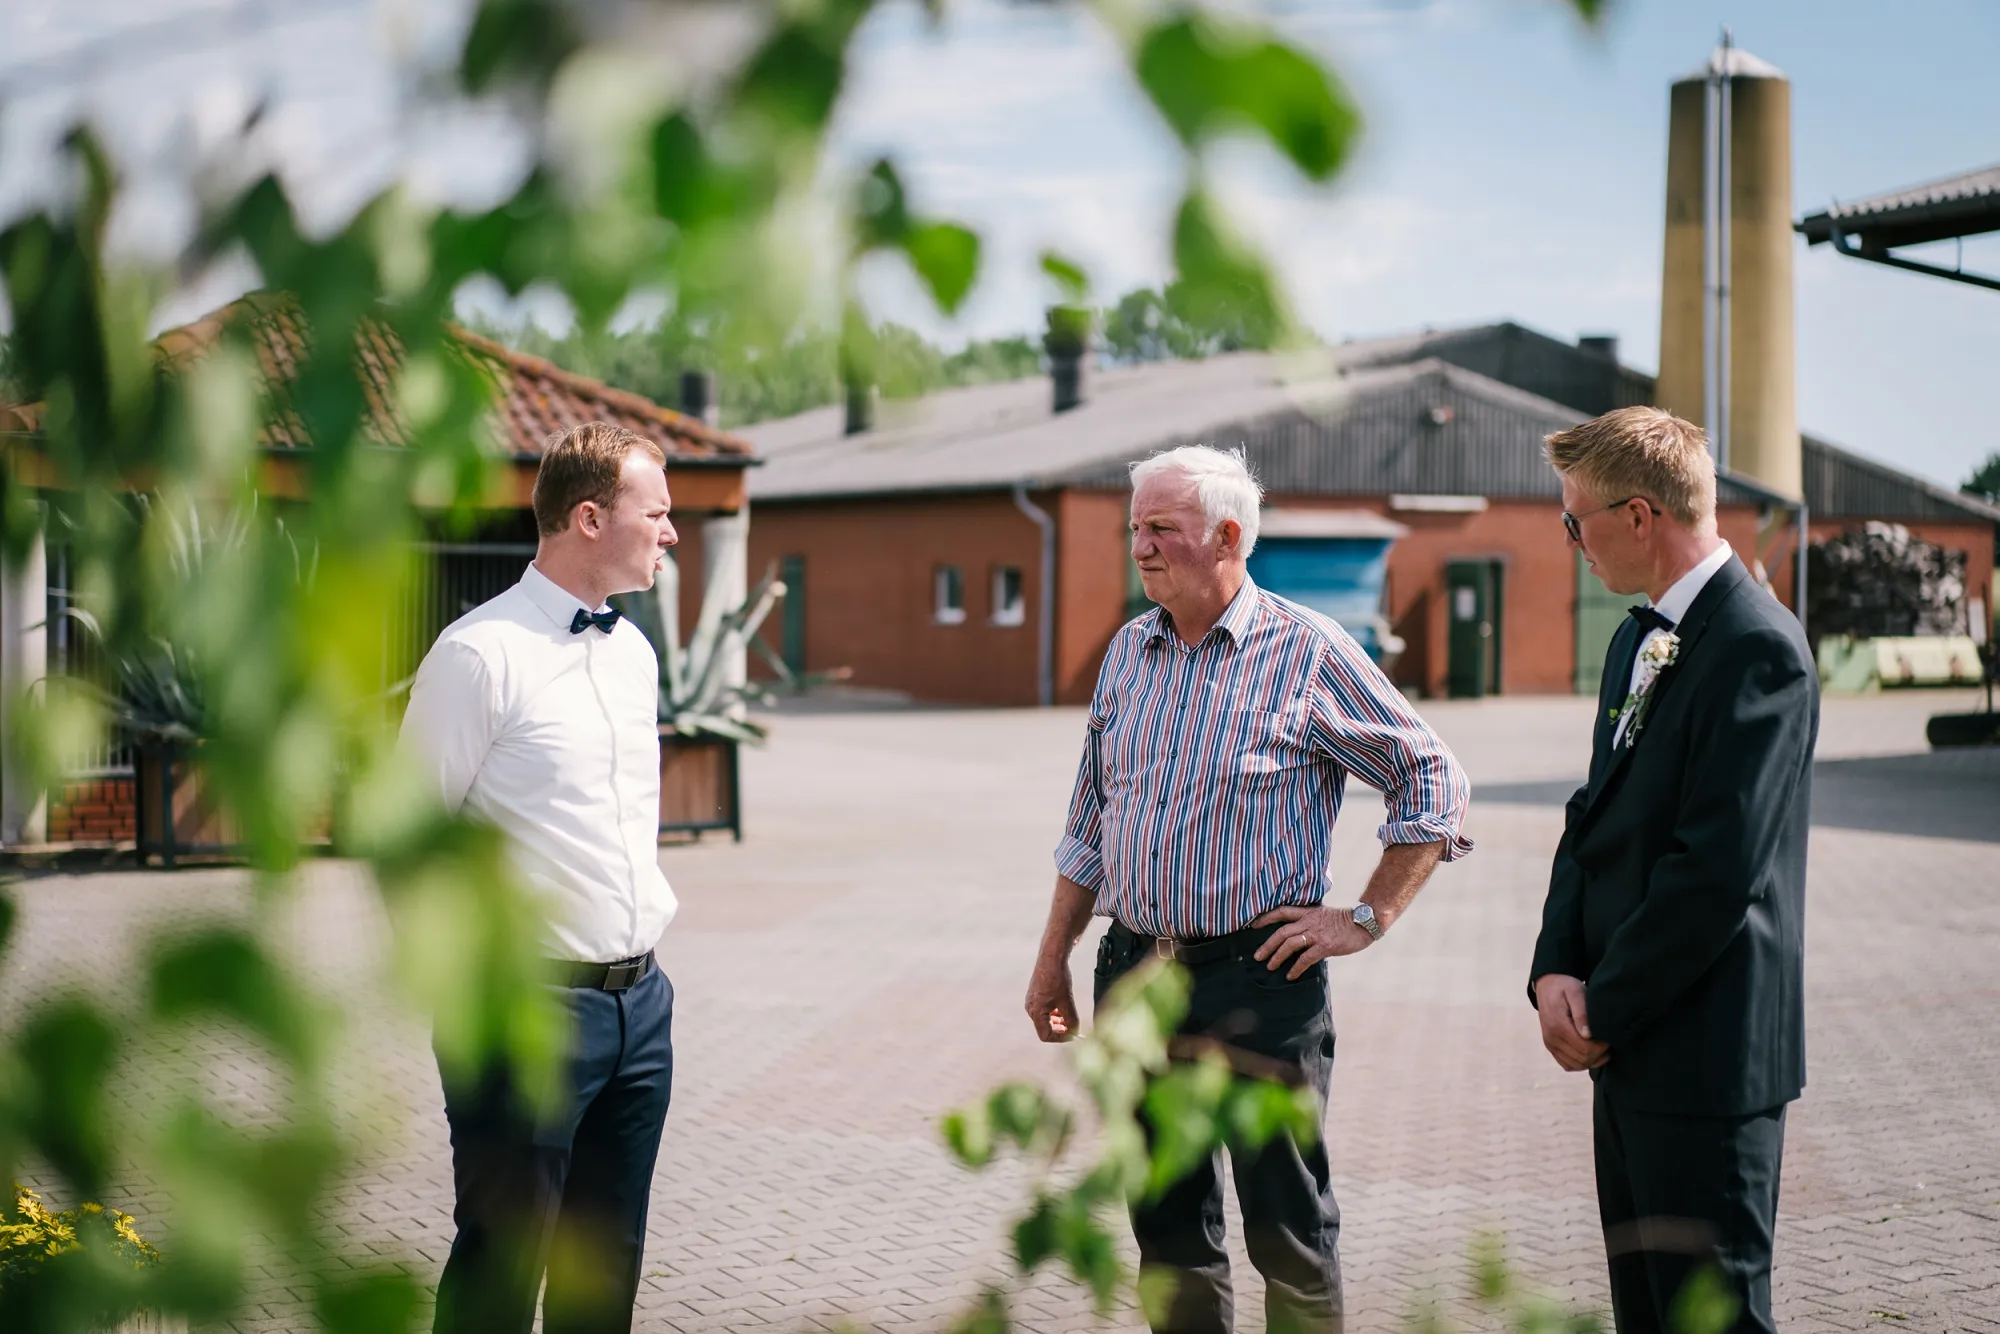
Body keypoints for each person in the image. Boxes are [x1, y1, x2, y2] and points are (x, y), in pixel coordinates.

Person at [1025, 445, 1472, 1334]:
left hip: (1261, 981)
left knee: (1287, 1228)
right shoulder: (1129, 651)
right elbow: (1090, 823)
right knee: (1167, 1228)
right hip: (1135, 977)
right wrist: (1052, 963)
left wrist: (1366, 917)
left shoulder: (1308, 650)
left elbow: (1432, 779)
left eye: (1161, 529)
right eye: (1135, 528)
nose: (1140, 547)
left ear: (1227, 537)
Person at [1530, 407, 1817, 1334]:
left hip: (1705, 1059)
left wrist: (1603, 1009)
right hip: (1626, 1047)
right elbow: (1594, 813)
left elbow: (1716, 872)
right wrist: (1554, 969)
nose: (1571, 541)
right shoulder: (1636, 640)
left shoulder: (1757, 648)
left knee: (1713, 1320)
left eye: (1575, 520)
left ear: (1639, 516)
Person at [401, 421, 681, 1334]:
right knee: (501, 1271)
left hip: (641, 1010)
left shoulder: (635, 655)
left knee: (604, 1273)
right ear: (590, 518)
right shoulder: (479, 655)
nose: (672, 531)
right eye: (657, 513)